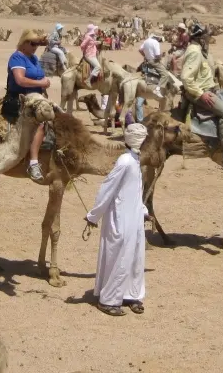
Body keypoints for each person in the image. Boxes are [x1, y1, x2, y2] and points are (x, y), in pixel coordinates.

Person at [84, 123, 149, 316]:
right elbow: (107, 188)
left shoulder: (136, 160)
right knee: (119, 257)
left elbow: (135, 191)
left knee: (135, 257)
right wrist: (94, 215)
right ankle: (109, 299)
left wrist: (143, 210)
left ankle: (130, 295)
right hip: (120, 218)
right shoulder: (125, 161)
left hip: (134, 217)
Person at [180, 23, 223, 172]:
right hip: (199, 93)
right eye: (207, 36)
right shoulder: (195, 52)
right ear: (201, 37)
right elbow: (186, 77)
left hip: (208, 88)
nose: (209, 38)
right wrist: (201, 94)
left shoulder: (200, 51)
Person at [7, 29, 52, 182]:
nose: (35, 47)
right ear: (24, 42)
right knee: (40, 121)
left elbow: (39, 75)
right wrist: (41, 83)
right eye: (32, 43)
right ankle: (33, 163)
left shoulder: (32, 58)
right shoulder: (17, 58)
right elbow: (20, 80)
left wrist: (44, 84)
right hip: (20, 98)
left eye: (37, 44)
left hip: (37, 96)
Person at [139, 33, 168, 99]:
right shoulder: (156, 43)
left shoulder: (146, 41)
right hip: (154, 62)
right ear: (157, 37)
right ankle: (157, 89)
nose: (159, 40)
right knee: (165, 75)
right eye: (159, 39)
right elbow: (157, 56)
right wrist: (162, 55)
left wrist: (145, 56)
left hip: (147, 61)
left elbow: (140, 50)